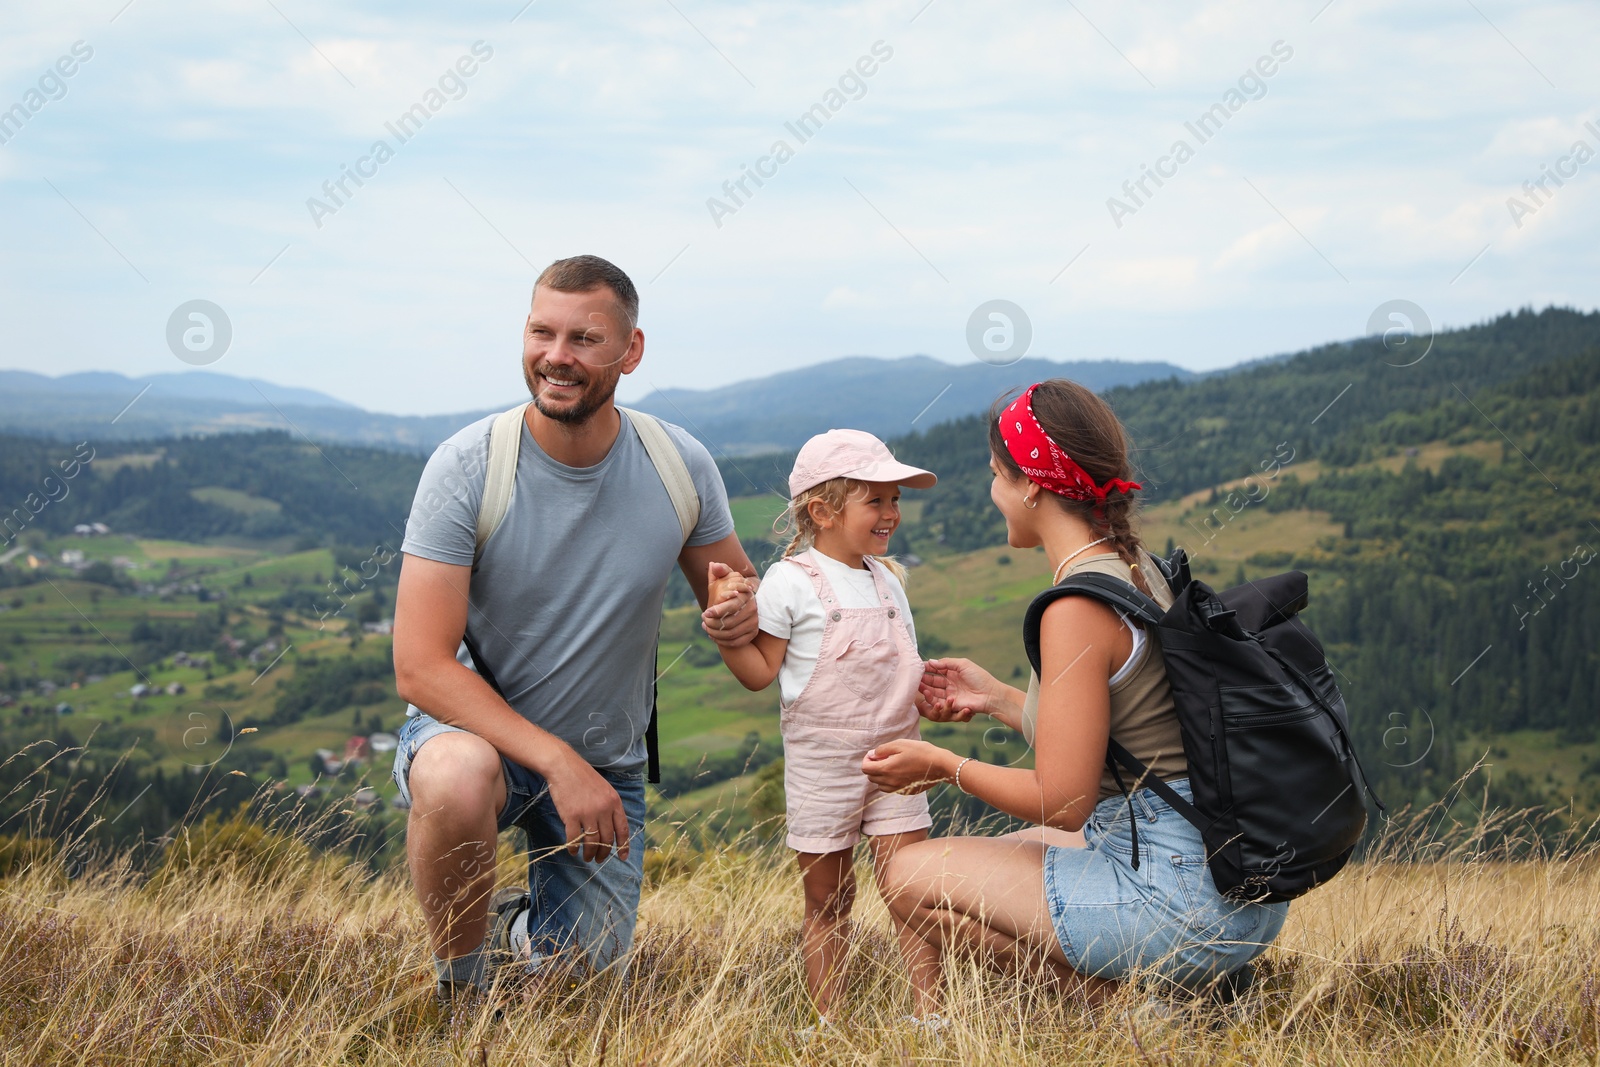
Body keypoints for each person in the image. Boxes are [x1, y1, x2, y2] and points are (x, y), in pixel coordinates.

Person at [390, 254, 760, 1002]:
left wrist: (741, 606)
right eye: (541, 332)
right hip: (479, 743)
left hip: (606, 767)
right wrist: (558, 762)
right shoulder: (467, 465)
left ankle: (523, 930)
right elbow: (421, 667)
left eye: (584, 339)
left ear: (631, 350)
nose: (556, 357)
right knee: (456, 777)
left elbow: (734, 586)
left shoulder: (678, 462)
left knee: (578, 992)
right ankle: (458, 993)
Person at [861, 379, 1288, 1002]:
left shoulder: (1076, 607)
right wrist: (1001, 699)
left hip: (1177, 898)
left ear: (1030, 483)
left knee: (907, 876)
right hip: (1235, 882)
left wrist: (943, 766)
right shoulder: (1137, 568)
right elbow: (1126, 737)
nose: (993, 494)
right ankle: (1189, 982)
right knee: (1009, 851)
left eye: (996, 475)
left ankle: (1152, 1004)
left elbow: (1063, 802)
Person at [707, 429, 945, 1031]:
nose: (892, 513)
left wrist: (933, 698)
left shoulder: (888, 578)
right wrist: (725, 633)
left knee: (912, 891)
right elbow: (760, 672)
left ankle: (933, 1017)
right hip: (823, 767)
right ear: (822, 511)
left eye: (895, 500)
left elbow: (901, 667)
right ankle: (828, 1022)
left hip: (899, 755)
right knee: (828, 900)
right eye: (877, 501)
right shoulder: (791, 581)